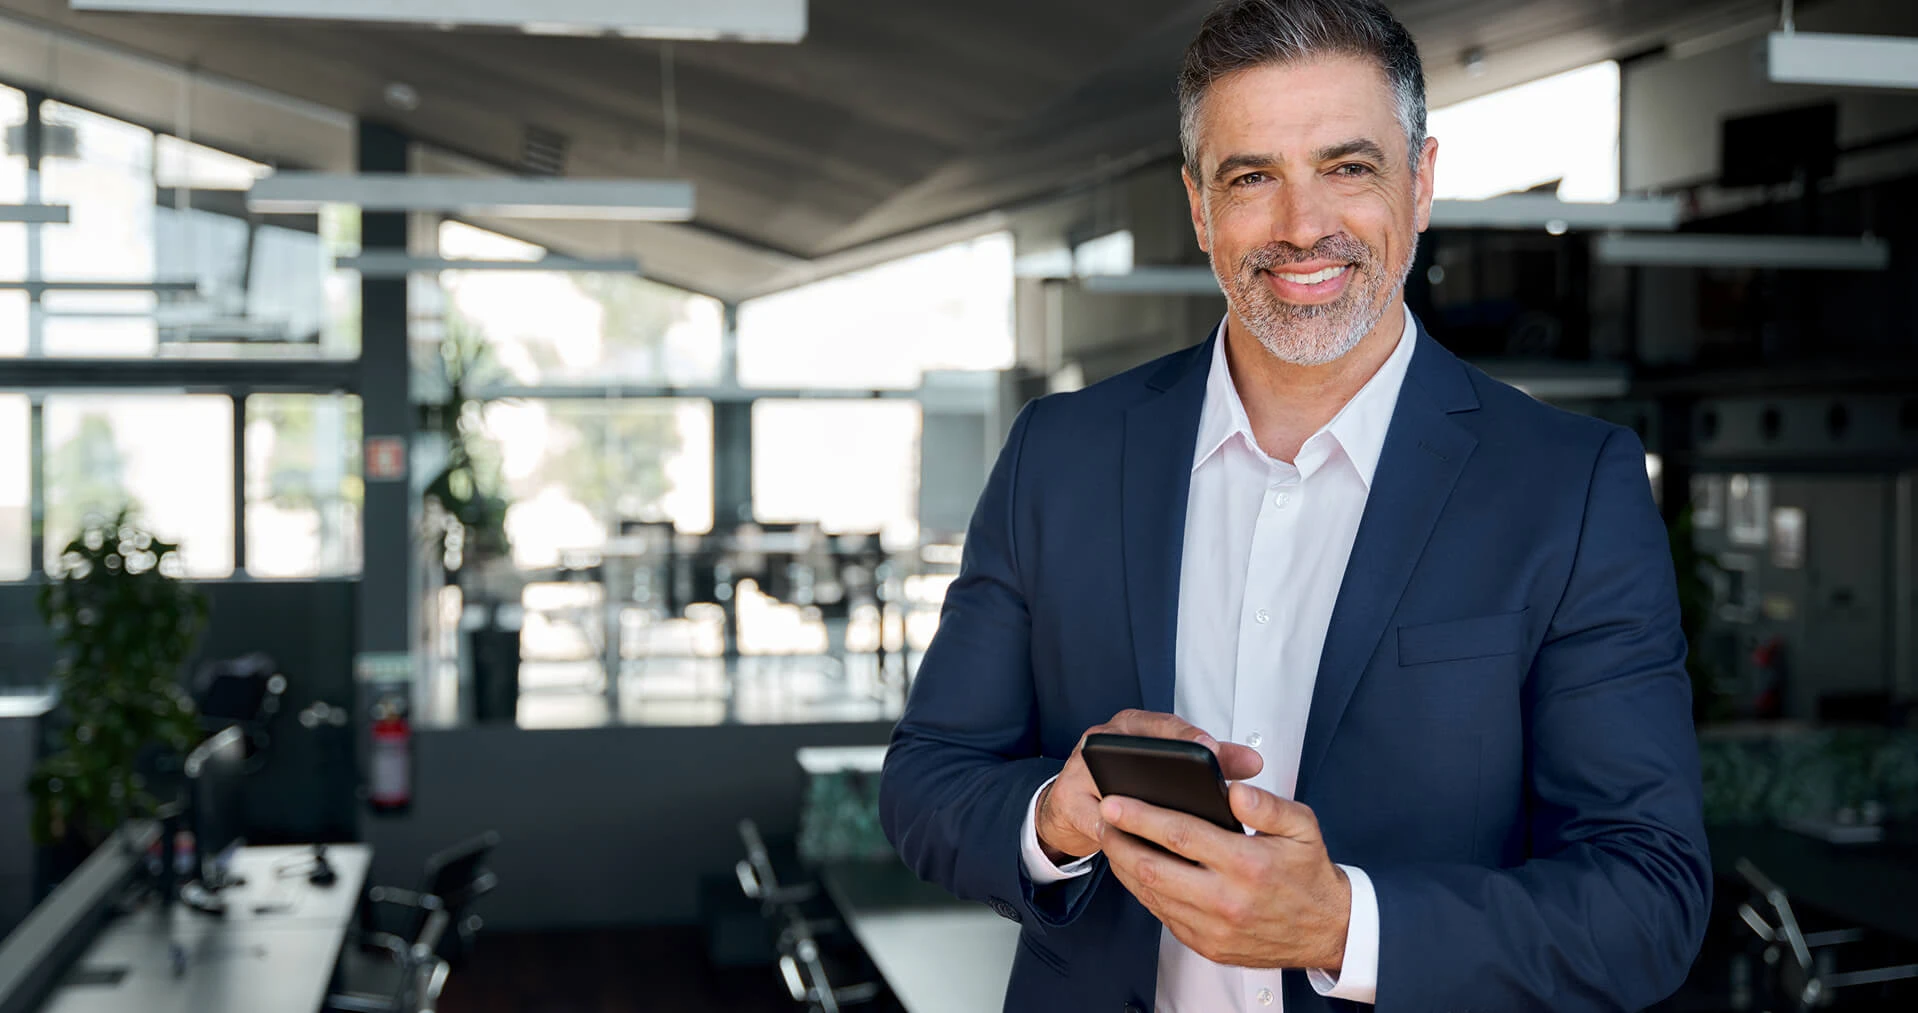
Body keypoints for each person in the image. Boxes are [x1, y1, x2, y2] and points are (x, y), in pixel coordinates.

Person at [880, 0, 1712, 1009]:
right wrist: (1057, 814)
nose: (1301, 226)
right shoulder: (1059, 455)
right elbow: (927, 782)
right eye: (1251, 178)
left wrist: (1341, 925)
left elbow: (1647, 899)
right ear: (1200, 208)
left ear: (1421, 181)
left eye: (1347, 167)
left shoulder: (1567, 488)